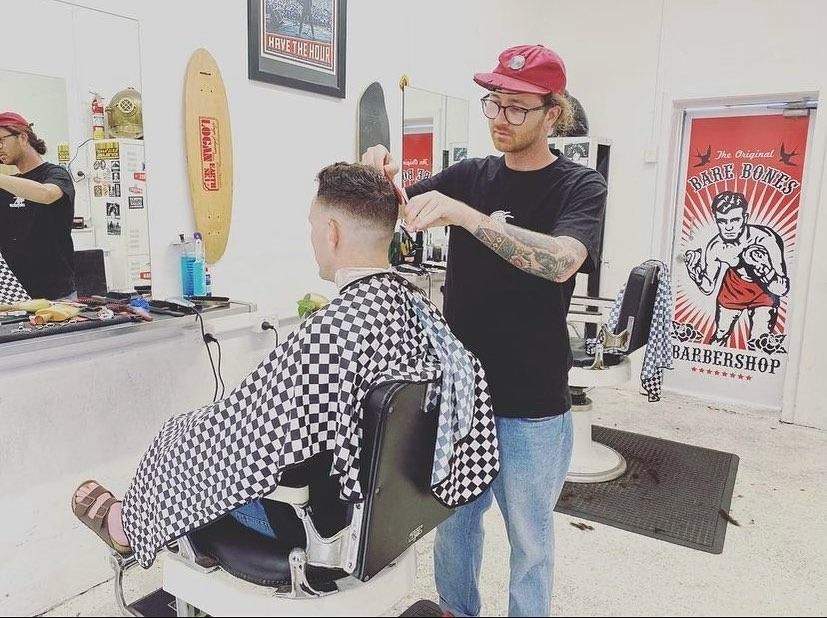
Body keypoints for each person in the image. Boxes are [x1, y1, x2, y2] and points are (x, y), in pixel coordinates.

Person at [70, 162, 499, 568]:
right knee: (203, 435)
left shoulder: (334, 329)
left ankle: (126, 526)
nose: (312, 236)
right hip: (382, 512)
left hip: (312, 524)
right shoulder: (415, 307)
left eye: (313, 226)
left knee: (182, 445)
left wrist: (186, 436)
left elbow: (250, 445)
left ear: (331, 232)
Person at [363, 43, 607, 617]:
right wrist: (381, 172)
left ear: (554, 112)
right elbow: (402, 209)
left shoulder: (578, 187)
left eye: (517, 107)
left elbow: (563, 261)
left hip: (533, 405)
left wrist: (468, 217)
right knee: (454, 526)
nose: (500, 118)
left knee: (529, 543)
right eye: (493, 103)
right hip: (461, 395)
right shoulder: (472, 174)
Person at [684, 190, 789, 346]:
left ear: (745, 218)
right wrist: (696, 274)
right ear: (716, 219)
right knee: (720, 335)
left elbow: (782, 289)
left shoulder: (766, 239)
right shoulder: (716, 247)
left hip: (764, 290)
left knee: (760, 341)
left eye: (735, 220)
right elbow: (707, 287)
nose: (728, 227)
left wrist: (764, 269)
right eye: (722, 221)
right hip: (733, 287)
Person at [0, 111, 76, 300]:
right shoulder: (6, 184)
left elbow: (46, 194)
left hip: (56, 294)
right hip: (14, 296)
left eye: (1, 141)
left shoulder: (57, 174)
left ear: (23, 138)